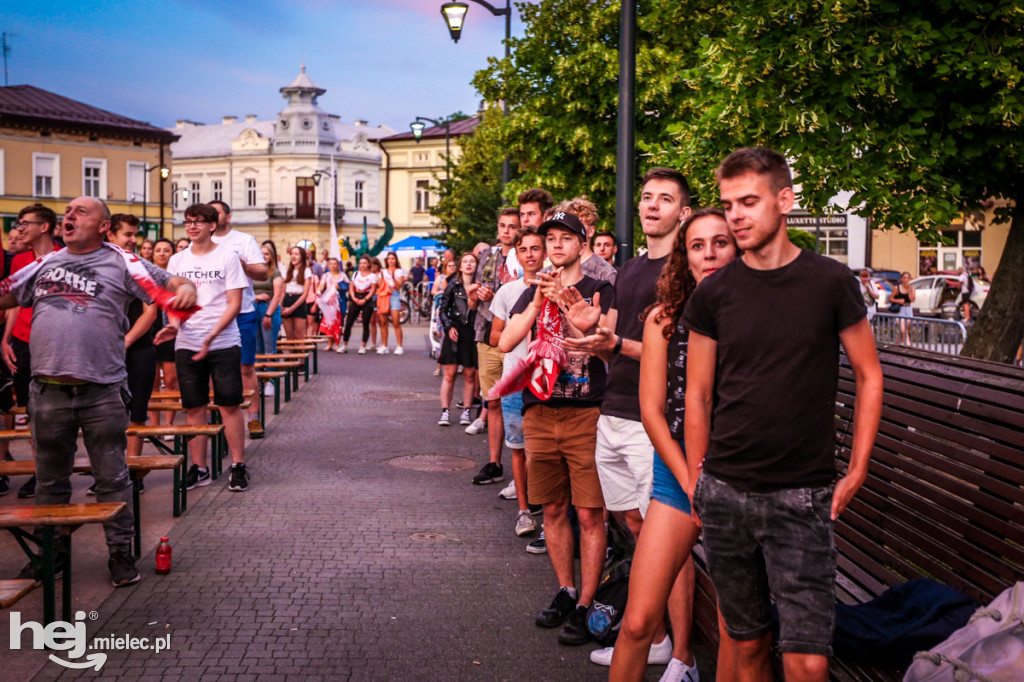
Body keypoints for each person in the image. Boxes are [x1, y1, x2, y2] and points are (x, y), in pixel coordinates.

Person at [683, 148, 883, 682]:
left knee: (807, 661)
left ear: (785, 200)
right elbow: (698, 396)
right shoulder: (714, 293)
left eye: (749, 201)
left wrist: (858, 468)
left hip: (802, 496)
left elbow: (869, 374)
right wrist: (696, 480)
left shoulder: (830, 282)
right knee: (746, 645)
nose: (736, 216)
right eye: (729, 205)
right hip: (724, 492)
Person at [1, 196, 197, 586]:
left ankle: (120, 554)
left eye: (81, 212)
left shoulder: (123, 261)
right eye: (68, 211)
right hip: (48, 389)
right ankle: (49, 554)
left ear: (103, 226)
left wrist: (187, 287)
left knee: (112, 477)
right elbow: (6, 296)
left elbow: (172, 283)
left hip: (102, 390)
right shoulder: (45, 263)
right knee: (49, 479)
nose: (69, 215)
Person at [558, 168, 695, 672]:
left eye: (665, 199)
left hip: (653, 420)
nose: (651, 205)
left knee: (668, 537)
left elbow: (679, 353)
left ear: (683, 212)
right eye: (646, 197)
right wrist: (591, 330)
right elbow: (611, 340)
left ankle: (683, 656)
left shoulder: (688, 270)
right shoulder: (632, 270)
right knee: (635, 528)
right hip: (612, 411)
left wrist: (614, 344)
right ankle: (653, 636)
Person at [607, 208, 738, 682]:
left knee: (737, 630)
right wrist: (690, 480)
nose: (709, 254)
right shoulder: (664, 318)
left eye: (720, 242)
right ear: (684, 255)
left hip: (740, 477)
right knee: (639, 619)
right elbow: (652, 412)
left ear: (737, 246)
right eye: (697, 245)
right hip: (679, 469)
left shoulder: (754, 314)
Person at [499, 211, 615, 646]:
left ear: (581, 246)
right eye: (551, 239)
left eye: (566, 239)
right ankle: (566, 590)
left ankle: (586, 602)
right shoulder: (531, 291)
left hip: (586, 412)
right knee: (551, 510)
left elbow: (607, 344)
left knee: (588, 512)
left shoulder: (600, 288)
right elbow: (507, 342)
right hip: (540, 412)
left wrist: (570, 306)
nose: (557, 246)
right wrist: (536, 301)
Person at [159, 203, 250, 493]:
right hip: (187, 343)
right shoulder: (177, 261)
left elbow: (234, 304)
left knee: (229, 405)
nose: (192, 226)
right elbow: (173, 301)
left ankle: (237, 465)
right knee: (194, 406)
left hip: (223, 342)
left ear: (212, 225)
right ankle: (200, 468)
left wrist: (211, 335)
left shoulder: (227, 257)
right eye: (188, 222)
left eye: (199, 221)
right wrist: (173, 324)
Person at [488, 227, 545, 536]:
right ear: (517, 255)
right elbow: (496, 337)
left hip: (547, 380)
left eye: (536, 248)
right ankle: (524, 511)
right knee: (519, 448)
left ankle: (547, 509)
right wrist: (520, 326)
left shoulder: (555, 286)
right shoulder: (508, 292)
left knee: (544, 451)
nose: (530, 254)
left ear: (545, 253)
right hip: (515, 379)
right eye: (524, 250)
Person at [3, 203, 60, 499]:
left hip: (53, 343)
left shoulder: (64, 257)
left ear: (44, 226)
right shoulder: (19, 260)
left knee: (52, 414)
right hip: (24, 339)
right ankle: (39, 473)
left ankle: (51, 474)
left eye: (25, 223)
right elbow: (14, 302)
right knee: (31, 411)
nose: (19, 229)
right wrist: (6, 339)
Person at [470, 207, 522, 485]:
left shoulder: (527, 254)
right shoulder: (488, 255)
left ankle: (521, 475)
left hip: (517, 337)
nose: (506, 231)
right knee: (493, 402)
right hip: (487, 331)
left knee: (517, 403)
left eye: (512, 226)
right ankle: (494, 462)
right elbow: (474, 294)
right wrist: (480, 293)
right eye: (503, 225)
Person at [209, 201, 268, 439]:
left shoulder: (244, 241)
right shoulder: (202, 242)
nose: (212, 217)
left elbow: (262, 272)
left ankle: (253, 417)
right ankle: (218, 417)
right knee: (215, 369)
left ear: (228, 217)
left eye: (217, 213)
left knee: (245, 367)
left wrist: (244, 266)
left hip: (242, 311)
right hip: (212, 314)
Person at [105, 214, 158, 481]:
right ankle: (110, 472)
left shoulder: (141, 267)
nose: (133, 240)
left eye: (135, 234)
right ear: (110, 235)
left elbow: (150, 312)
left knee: (137, 413)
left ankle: (132, 472)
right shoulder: (99, 267)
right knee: (105, 418)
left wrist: (125, 341)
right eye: (127, 234)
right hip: (105, 353)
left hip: (138, 350)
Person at [438, 252, 479, 427]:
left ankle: (466, 411)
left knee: (470, 374)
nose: (469, 264)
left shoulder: (480, 285)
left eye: (472, 262)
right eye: (465, 262)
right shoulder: (453, 285)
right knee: (450, 373)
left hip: (472, 332)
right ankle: (445, 411)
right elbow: (442, 309)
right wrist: (448, 327)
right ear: (460, 266)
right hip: (455, 331)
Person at [551, 197, 617, 284]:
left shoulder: (605, 272)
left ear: (591, 231)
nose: (573, 228)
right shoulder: (547, 272)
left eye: (579, 223)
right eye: (568, 224)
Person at [150, 238, 179, 428]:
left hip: (170, 330)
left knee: (170, 380)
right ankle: (154, 426)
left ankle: (168, 424)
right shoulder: (146, 275)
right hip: (150, 331)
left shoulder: (177, 277)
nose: (161, 253)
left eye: (166, 250)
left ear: (172, 253)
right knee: (151, 384)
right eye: (158, 250)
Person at [341, 255, 378, 354]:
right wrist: (353, 298)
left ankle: (363, 345)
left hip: (366, 298)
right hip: (356, 297)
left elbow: (373, 290)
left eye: (365, 263)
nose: (362, 265)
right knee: (349, 322)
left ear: (369, 264)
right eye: (361, 263)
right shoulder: (356, 274)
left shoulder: (373, 276)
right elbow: (351, 287)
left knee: (365, 323)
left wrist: (365, 299)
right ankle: (344, 344)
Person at [254, 241, 285, 356]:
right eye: (261, 253)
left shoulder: (275, 272)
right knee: (256, 349)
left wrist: (268, 314)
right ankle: (259, 374)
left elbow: (277, 296)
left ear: (271, 256)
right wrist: (256, 296)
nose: (263, 256)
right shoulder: (253, 272)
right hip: (253, 308)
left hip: (268, 308)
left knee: (269, 349)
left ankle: (272, 374)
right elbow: (245, 292)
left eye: (266, 254)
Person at [281, 246, 313, 340]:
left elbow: (305, 294)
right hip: (287, 299)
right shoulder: (286, 270)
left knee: (299, 336)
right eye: (292, 254)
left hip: (298, 301)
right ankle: (292, 355)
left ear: (302, 257)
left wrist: (291, 309)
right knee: (289, 336)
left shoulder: (307, 271)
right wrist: (281, 306)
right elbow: (282, 291)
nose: (293, 256)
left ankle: (300, 355)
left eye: (296, 254)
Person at [379, 251, 407, 355]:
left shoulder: (399, 271)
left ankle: (399, 346)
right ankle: (384, 345)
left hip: (394, 294)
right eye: (389, 258)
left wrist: (392, 277)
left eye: (393, 258)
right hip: (384, 295)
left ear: (396, 260)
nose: (391, 261)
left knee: (396, 322)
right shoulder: (382, 271)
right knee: (383, 322)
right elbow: (379, 283)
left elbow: (399, 285)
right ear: (386, 260)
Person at [317, 257, 347, 351]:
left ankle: (337, 343)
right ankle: (330, 343)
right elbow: (321, 285)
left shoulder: (342, 275)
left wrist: (341, 286)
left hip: (340, 300)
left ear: (338, 265)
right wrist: (319, 292)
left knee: (338, 321)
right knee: (329, 321)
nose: (333, 266)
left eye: (335, 264)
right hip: (329, 301)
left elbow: (349, 285)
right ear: (328, 266)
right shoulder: (326, 275)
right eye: (331, 264)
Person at [889, 271, 916, 344]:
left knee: (903, 331)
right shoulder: (897, 288)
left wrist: (909, 290)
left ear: (910, 279)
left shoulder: (912, 288)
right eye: (904, 278)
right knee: (903, 330)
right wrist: (898, 300)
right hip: (900, 310)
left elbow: (913, 300)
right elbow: (890, 299)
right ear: (901, 279)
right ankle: (908, 346)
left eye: (908, 278)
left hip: (908, 309)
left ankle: (896, 346)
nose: (906, 279)